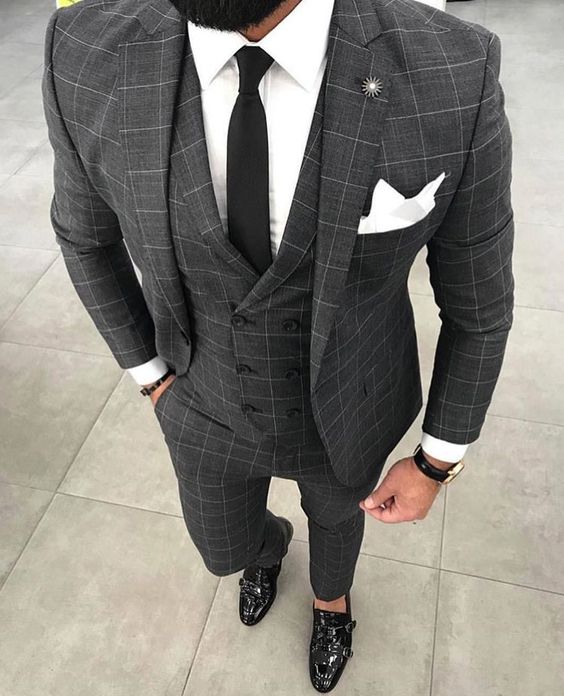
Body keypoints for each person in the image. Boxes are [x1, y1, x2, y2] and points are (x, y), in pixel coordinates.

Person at [42, 0, 513, 691]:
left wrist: (437, 461)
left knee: (339, 526)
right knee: (222, 547)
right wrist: (151, 377)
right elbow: (84, 237)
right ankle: (268, 549)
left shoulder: (453, 67)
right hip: (199, 401)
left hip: (351, 405)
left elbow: (479, 305)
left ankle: (331, 604)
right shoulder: (84, 50)